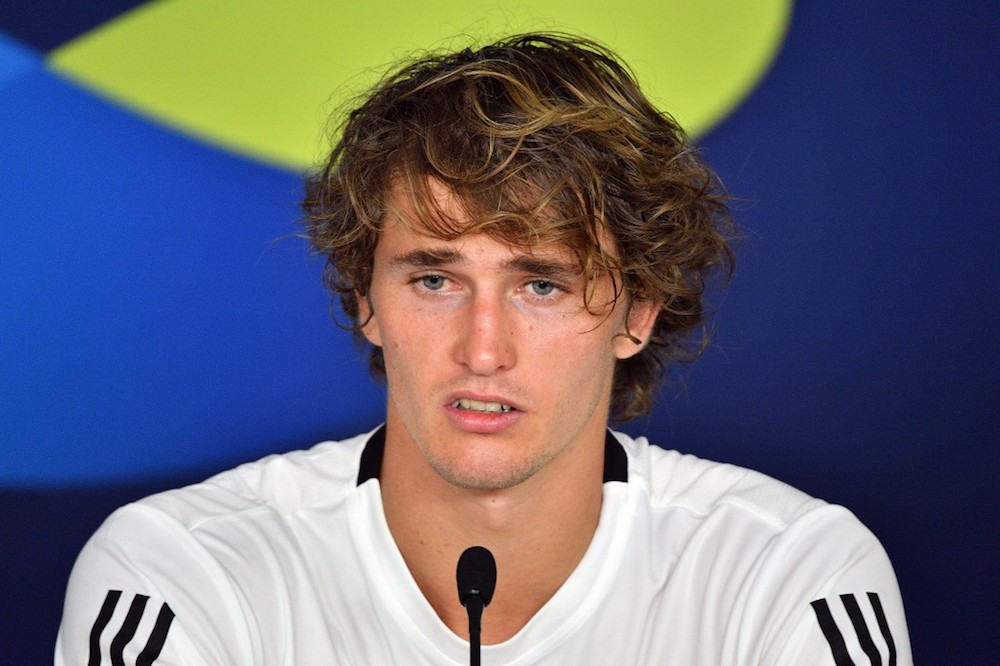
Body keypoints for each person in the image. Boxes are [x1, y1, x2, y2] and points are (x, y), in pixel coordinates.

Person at [56, 33, 911, 664]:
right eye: (435, 279)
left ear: (639, 313)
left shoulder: (789, 574)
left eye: (542, 283)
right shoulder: (178, 573)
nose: (483, 348)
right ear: (367, 299)